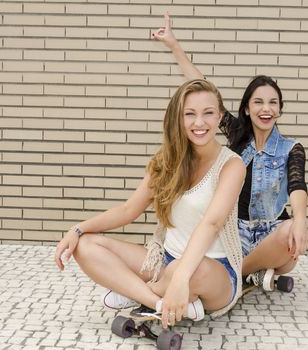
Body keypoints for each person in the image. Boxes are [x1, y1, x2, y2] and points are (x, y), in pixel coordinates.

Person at [55, 79, 246, 328]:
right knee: (85, 245)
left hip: (214, 272)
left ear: (220, 116)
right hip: (165, 261)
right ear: (179, 118)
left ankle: (137, 290)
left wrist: (180, 278)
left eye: (208, 113)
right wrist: (77, 229)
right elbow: (127, 210)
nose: (199, 123)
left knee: (188, 271)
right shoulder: (166, 161)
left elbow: (211, 223)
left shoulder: (232, 165)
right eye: (190, 114)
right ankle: (155, 301)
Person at [151, 13, 308, 292]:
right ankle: (250, 273)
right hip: (234, 234)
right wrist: (175, 47)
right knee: (210, 248)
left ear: (280, 110)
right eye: (258, 102)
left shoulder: (291, 148)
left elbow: (297, 185)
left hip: (270, 232)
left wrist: (300, 221)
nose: (266, 109)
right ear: (247, 108)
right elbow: (205, 93)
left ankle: (243, 273)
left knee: (290, 242)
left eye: (273, 103)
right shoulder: (238, 136)